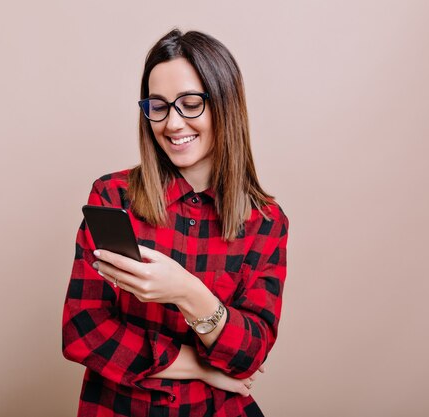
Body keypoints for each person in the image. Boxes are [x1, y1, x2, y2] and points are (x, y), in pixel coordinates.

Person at [62, 28, 289, 417]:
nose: (172, 123)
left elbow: (249, 354)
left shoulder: (265, 221)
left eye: (190, 103)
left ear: (224, 104)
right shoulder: (114, 197)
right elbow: (83, 331)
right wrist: (203, 368)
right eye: (158, 106)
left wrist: (186, 292)